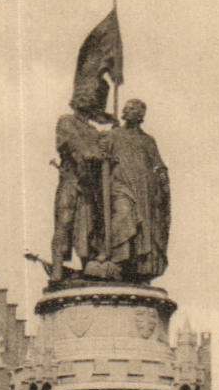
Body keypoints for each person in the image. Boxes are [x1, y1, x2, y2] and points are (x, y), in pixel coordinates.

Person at [101, 99, 171, 284]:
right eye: (126, 107)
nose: (127, 110)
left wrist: (162, 176)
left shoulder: (148, 140)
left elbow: (157, 164)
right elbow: (101, 155)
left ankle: (134, 268)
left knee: (143, 229)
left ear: (141, 115)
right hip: (121, 185)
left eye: (133, 108)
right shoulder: (113, 135)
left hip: (144, 190)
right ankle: (116, 260)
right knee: (123, 215)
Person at [50, 86, 111, 282]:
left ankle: (88, 268)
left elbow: (102, 154)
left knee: (88, 227)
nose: (87, 102)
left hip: (89, 187)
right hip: (70, 180)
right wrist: (94, 154)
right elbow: (75, 147)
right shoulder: (66, 121)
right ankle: (57, 270)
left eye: (90, 99)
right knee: (64, 222)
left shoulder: (94, 131)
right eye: (83, 98)